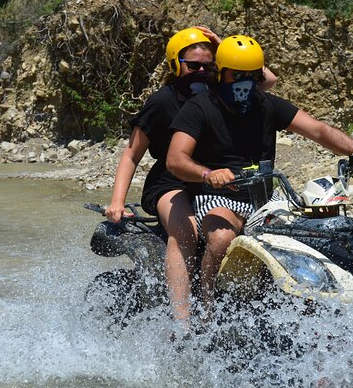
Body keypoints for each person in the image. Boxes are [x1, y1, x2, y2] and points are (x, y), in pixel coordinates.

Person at [166, 34, 353, 312]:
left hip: (266, 200)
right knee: (221, 237)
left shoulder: (267, 104)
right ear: (221, 74)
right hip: (218, 197)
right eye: (237, 75)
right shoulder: (200, 107)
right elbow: (176, 159)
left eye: (252, 75)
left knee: (318, 231)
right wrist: (209, 174)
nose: (245, 82)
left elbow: (318, 130)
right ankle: (205, 309)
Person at [104, 27, 277, 324]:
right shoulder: (163, 102)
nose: (200, 71)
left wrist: (226, 48)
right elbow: (132, 153)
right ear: (175, 64)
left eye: (207, 66)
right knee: (185, 231)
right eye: (192, 65)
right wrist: (117, 201)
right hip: (171, 181)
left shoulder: (219, 92)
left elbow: (268, 81)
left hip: (212, 181)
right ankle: (182, 323)